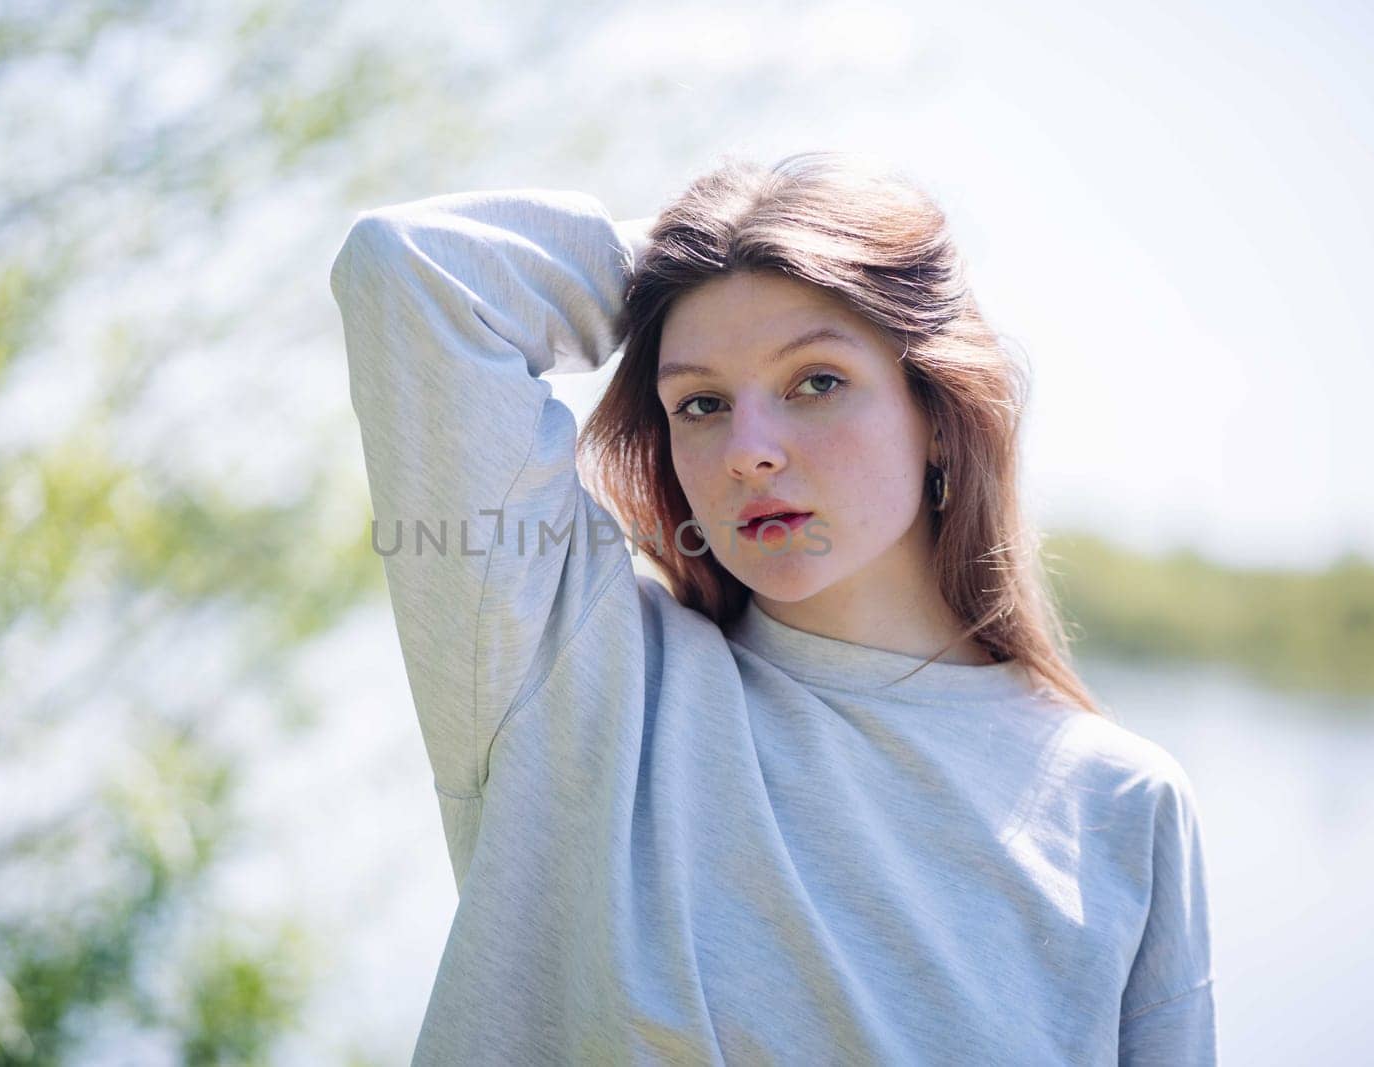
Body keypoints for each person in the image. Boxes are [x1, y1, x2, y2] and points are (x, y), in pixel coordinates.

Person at [328, 150, 1216, 1065]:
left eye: (816, 381)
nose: (748, 450)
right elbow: (412, 273)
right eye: (702, 401)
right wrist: (711, 253)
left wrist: (799, 264)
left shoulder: (1122, 807)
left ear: (940, 414)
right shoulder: (579, 677)